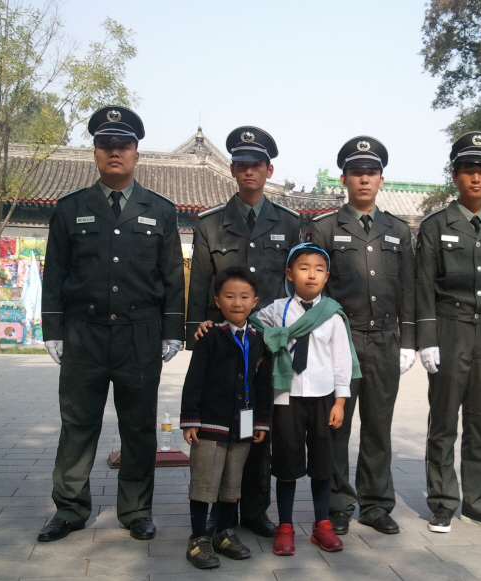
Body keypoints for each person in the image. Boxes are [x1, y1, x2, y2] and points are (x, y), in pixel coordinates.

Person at [39, 106, 185, 542]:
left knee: (138, 426)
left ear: (137, 153)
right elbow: (56, 273)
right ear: (96, 153)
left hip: (139, 334)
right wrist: (53, 330)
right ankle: (69, 509)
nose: (115, 153)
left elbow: (173, 275)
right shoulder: (71, 209)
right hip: (84, 333)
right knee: (78, 424)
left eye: (123, 145)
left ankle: (136, 508)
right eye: (106, 146)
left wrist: (172, 330)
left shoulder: (159, 211)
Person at [187, 126, 300, 538]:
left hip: (266, 344)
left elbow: (293, 284)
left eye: (257, 164)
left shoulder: (288, 223)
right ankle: (218, 513)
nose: (249, 171)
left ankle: (254, 509)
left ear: (269, 170)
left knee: (259, 429)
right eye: (242, 164)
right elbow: (201, 281)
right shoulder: (211, 223)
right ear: (232, 168)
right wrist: (194, 329)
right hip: (222, 343)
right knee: (221, 426)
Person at [415, 131, 481, 534]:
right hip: (450, 328)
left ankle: (478, 503)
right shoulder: (433, 226)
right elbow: (424, 285)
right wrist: (426, 338)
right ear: (455, 177)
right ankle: (443, 502)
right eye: (467, 171)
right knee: (443, 420)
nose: (475, 179)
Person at [308, 136, 415, 535]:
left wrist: (409, 342)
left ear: (381, 179)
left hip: (386, 338)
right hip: (342, 340)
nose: (364, 180)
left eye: (371, 173)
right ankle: (338, 501)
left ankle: (376, 503)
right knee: (337, 424)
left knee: (378, 424)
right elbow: (311, 288)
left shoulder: (399, 231)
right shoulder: (323, 228)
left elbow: (408, 289)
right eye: (357, 173)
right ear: (344, 178)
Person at [251, 243, 360, 556]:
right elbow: (250, 322)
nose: (311, 275)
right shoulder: (277, 310)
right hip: (286, 397)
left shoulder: (332, 315)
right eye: (303, 268)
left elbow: (342, 362)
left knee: (323, 464)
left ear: (326, 277)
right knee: (286, 463)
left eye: (319, 269)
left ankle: (321, 523)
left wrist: (341, 401)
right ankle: (285, 525)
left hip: (324, 399)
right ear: (289, 273)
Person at [180, 267, 272, 569]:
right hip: (211, 424)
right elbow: (194, 380)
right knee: (205, 482)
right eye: (229, 296)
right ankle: (198, 538)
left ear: (255, 301)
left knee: (232, 483)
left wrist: (260, 422)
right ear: (217, 301)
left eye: (244, 297)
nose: (237, 302)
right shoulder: (210, 337)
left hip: (244, 424)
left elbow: (262, 385)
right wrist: (191, 418)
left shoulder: (258, 340)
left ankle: (223, 532)